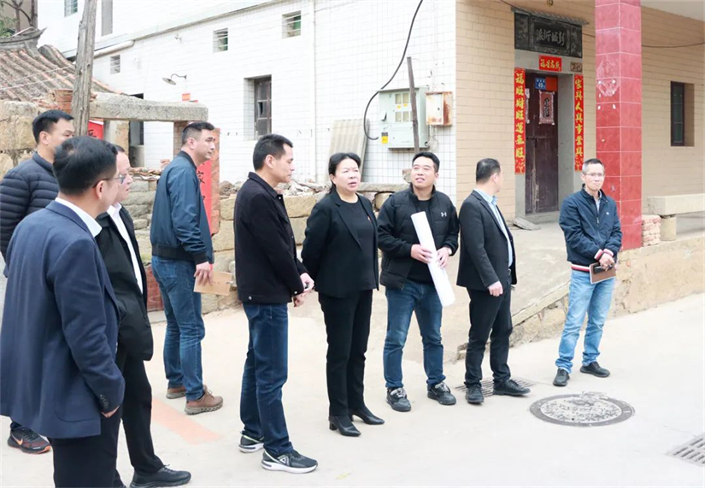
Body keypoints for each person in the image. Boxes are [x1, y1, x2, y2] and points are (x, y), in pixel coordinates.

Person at [0, 136, 124, 487]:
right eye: (117, 179)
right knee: (87, 477)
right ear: (101, 187)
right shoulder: (75, 242)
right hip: (75, 393)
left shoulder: (31, 225)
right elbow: (86, 335)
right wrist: (109, 391)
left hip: (41, 382)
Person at [96, 146, 191, 488]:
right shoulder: (94, 223)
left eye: (130, 173)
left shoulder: (119, 214)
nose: (129, 180)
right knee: (108, 408)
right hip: (112, 328)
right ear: (102, 182)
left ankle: (146, 467)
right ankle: (107, 477)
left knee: (138, 397)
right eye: (123, 175)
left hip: (130, 327)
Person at [235, 134, 318, 473]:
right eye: (289, 160)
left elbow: (283, 245)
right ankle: (277, 450)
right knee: (271, 373)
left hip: (262, 292)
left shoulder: (262, 192)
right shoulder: (257, 196)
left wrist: (300, 272)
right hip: (266, 295)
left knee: (258, 363)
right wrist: (295, 286)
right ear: (270, 160)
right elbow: (275, 251)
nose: (292, 166)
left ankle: (253, 431)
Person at [0, 109, 74, 454]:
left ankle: (46, 413)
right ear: (45, 137)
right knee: (26, 350)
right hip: (31, 283)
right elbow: (4, 228)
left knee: (53, 349)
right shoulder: (23, 176)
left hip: (60, 280)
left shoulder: (65, 175)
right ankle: (20, 427)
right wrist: (21, 266)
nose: (71, 140)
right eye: (66, 135)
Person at [302, 153, 383, 437]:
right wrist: (310, 281)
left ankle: (356, 404)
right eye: (346, 171)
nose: (352, 175)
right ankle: (338, 412)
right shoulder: (326, 208)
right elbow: (311, 251)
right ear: (333, 177)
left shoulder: (364, 203)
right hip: (337, 291)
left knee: (358, 350)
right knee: (340, 352)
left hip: (363, 287)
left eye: (355, 170)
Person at [377, 151, 459, 412]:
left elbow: (453, 234)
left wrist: (447, 248)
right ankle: (394, 387)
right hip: (403, 283)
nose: (419, 172)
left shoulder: (445, 203)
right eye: (416, 167)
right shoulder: (395, 203)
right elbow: (380, 237)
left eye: (426, 168)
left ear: (436, 174)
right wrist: (409, 249)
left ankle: (436, 383)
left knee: (433, 336)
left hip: (433, 283)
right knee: (396, 338)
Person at [150, 121, 222, 415]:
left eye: (214, 141)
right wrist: (200, 256)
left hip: (166, 260)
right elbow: (184, 220)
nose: (213, 146)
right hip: (179, 263)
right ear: (191, 142)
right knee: (191, 328)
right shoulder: (182, 171)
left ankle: (177, 382)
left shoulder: (177, 169)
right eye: (208, 140)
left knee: (176, 325)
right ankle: (195, 395)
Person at [457, 158, 530, 405]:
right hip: (486, 284)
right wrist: (491, 280)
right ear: (495, 177)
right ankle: (473, 383)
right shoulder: (472, 205)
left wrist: (504, 276)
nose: (503, 180)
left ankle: (501, 379)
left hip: (503, 278)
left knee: (503, 330)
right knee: (480, 333)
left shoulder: (490, 203)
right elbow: (476, 248)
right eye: (502, 175)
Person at [553, 158, 622, 387]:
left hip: (606, 271)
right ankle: (564, 365)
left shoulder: (610, 204)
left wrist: (609, 252)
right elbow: (573, 236)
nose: (596, 178)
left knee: (598, 320)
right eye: (592, 174)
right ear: (583, 177)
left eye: (600, 174)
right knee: (574, 321)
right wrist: (599, 253)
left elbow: (616, 232)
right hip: (583, 271)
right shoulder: (571, 203)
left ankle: (590, 360)